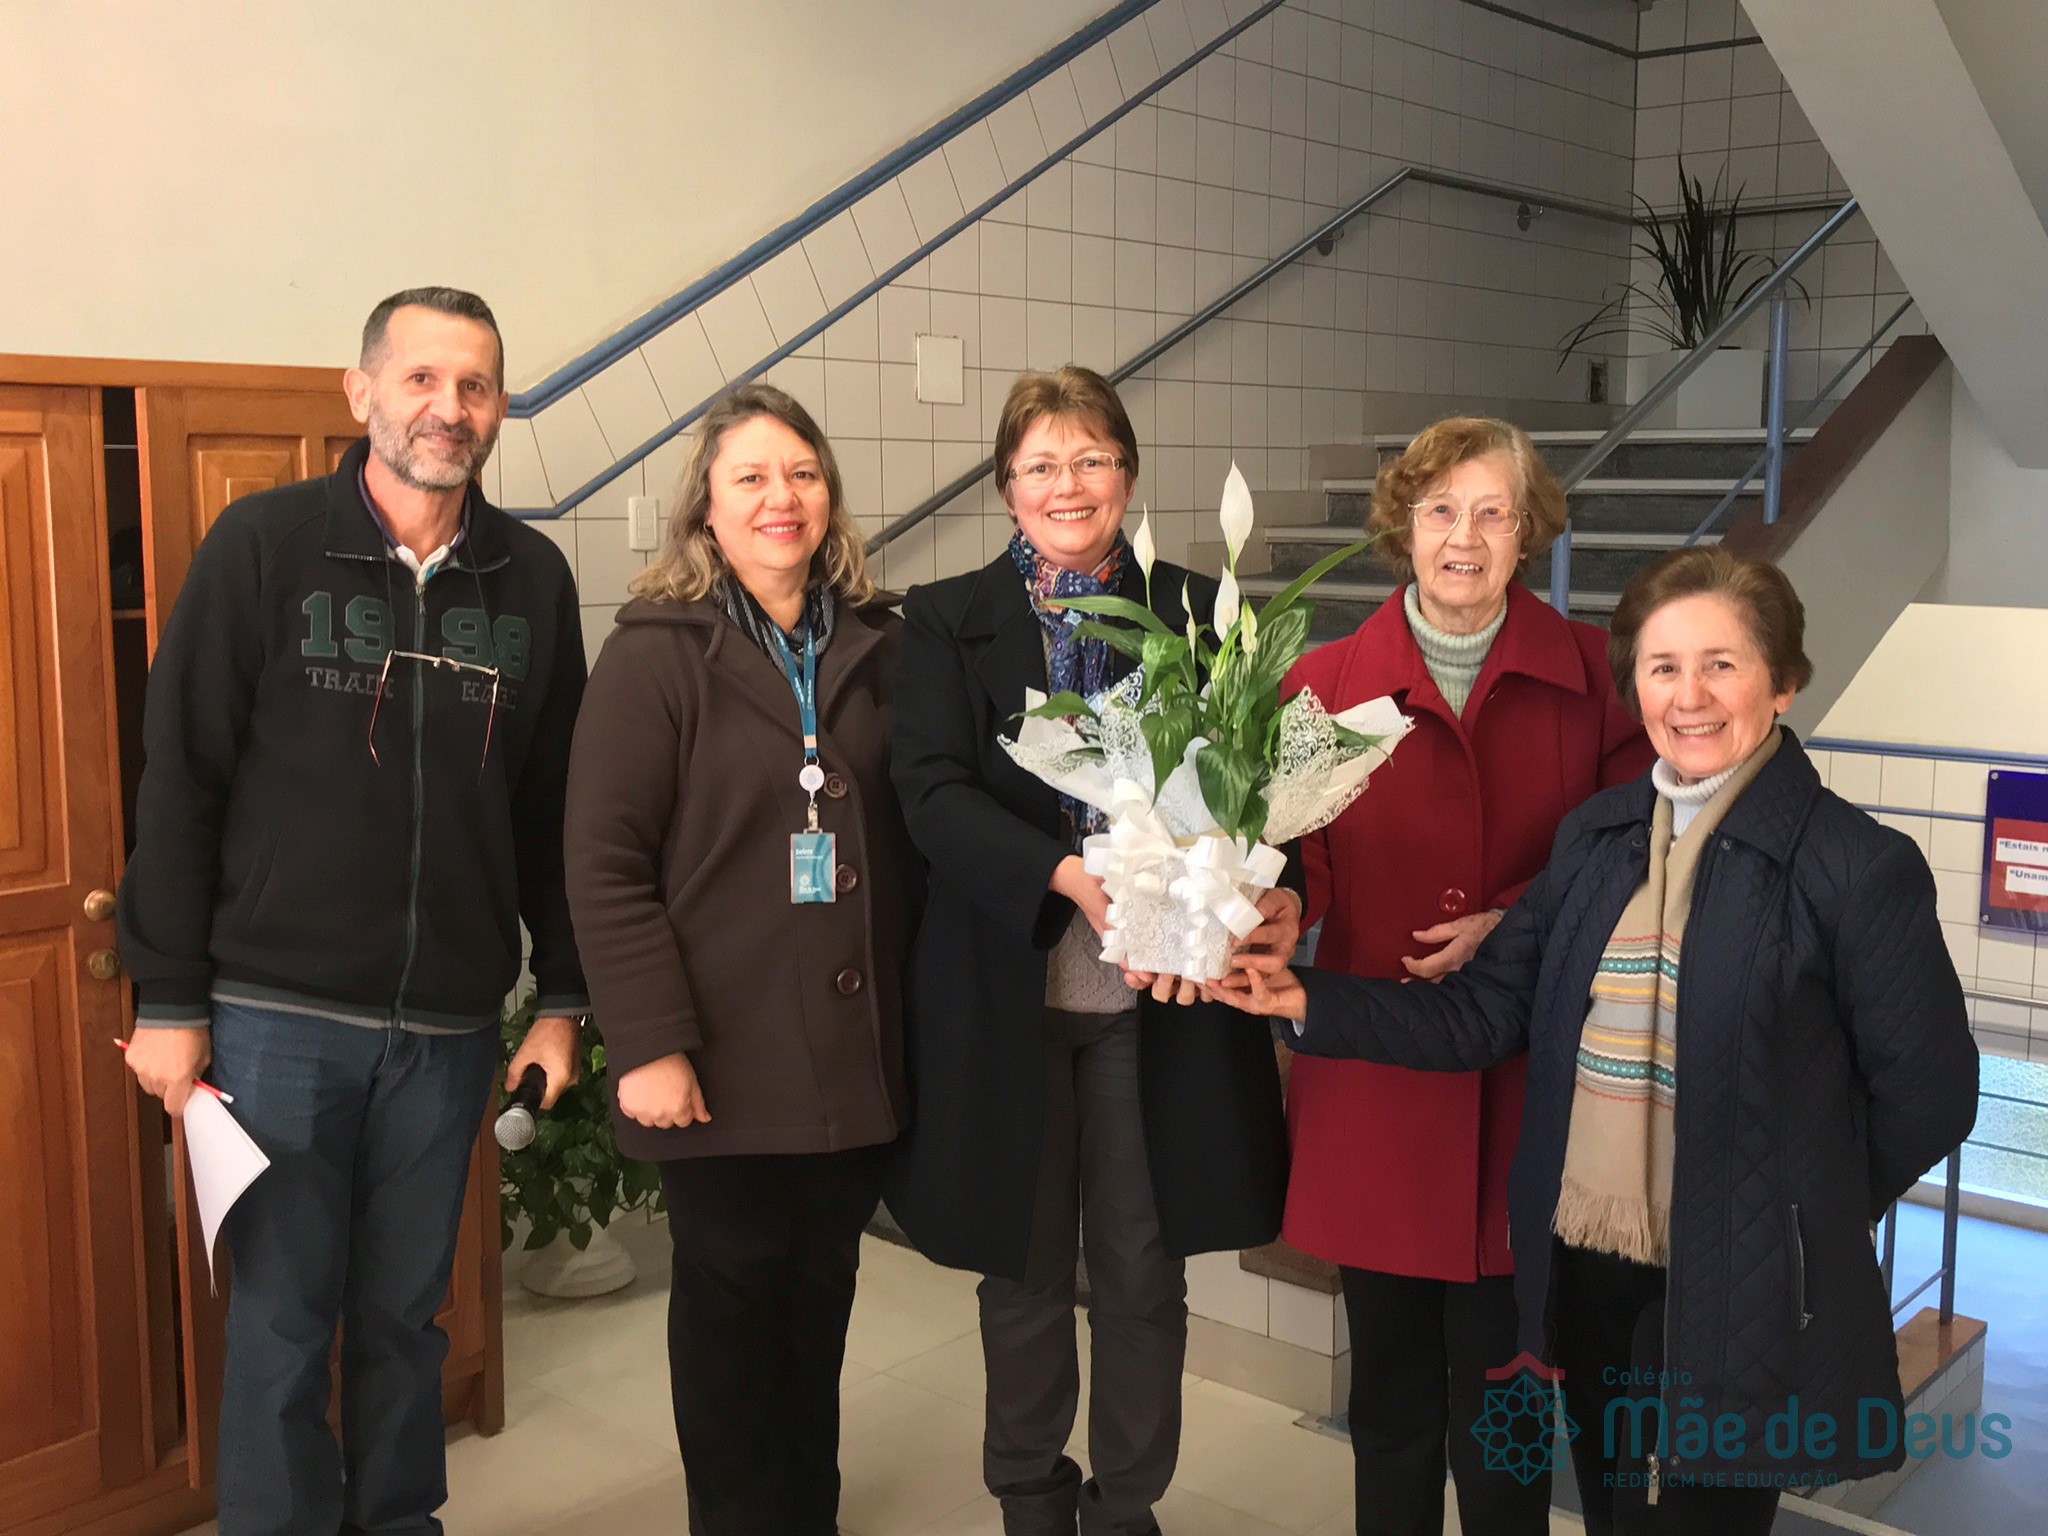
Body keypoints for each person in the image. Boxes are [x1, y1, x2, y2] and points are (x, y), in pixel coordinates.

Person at [1215, 547, 1978, 1536]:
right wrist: (1304, 999)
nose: (1689, 696)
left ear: (1782, 682)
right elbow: (1483, 1013)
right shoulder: (1597, 839)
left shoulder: (1855, 866)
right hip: (1584, 1272)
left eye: (1722, 664)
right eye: (1663, 667)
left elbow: (1930, 1095)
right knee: (1612, 1508)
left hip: (1729, 1285)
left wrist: (1788, 1216)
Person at [117, 287, 588, 1536]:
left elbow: (553, 809)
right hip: (276, 1021)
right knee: (280, 1326)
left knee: (403, 1319)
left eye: (474, 385)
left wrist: (563, 996)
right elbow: (180, 777)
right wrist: (167, 997)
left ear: (499, 407)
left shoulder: (531, 581)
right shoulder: (263, 545)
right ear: (362, 390)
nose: (448, 408)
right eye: (422, 378)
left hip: (447, 1031)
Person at [887, 364, 1298, 1536]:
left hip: (1156, 1002)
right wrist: (1066, 876)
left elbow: (1260, 792)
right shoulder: (942, 619)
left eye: (1090, 459)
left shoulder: (1201, 612)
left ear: (1126, 473)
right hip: (1005, 998)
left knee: (1139, 1268)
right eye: (1040, 465)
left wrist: (1278, 894)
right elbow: (929, 791)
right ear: (1005, 487)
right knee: (1019, 1273)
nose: (1067, 484)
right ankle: (1029, 1498)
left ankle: (1125, 1507)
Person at [1281, 418, 1652, 1535]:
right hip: (1377, 1087)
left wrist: (1519, 916)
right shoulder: (1323, 683)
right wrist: (1274, 906)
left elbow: (1640, 844)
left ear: (1527, 533)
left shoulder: (1596, 678)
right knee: (1389, 1409)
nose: (1463, 537)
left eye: (1494, 513)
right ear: (1403, 524)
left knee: (1508, 1417)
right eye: (1440, 509)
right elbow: (1293, 855)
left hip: (1527, 1099)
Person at [563, 383, 915, 1536]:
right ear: (704, 509)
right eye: (750, 477)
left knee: (818, 1310)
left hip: (849, 1057)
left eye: (801, 474)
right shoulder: (654, 655)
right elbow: (604, 865)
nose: (781, 497)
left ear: (829, 498)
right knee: (730, 1320)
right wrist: (648, 1044)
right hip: (716, 1056)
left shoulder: (878, 644)